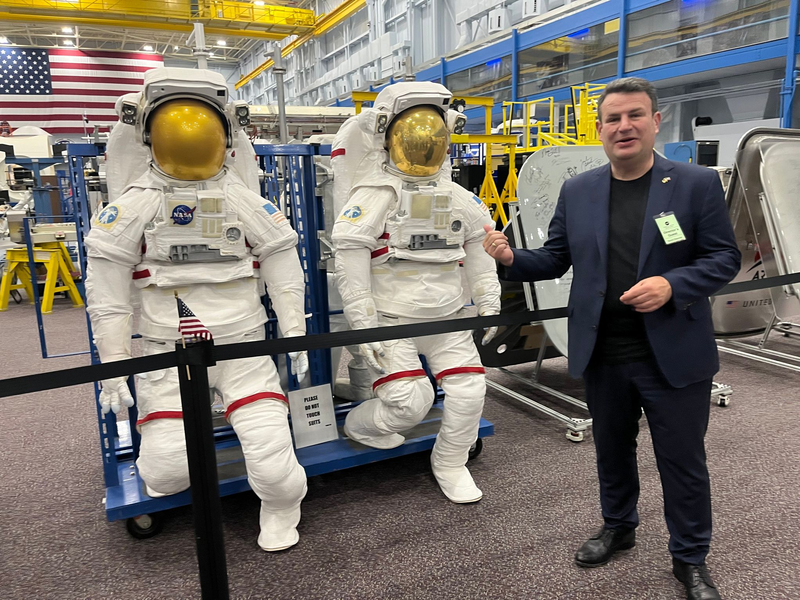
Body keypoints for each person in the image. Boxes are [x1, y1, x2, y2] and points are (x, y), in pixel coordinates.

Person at [483, 77, 740, 600]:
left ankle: (689, 558)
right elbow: (555, 258)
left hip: (673, 351)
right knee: (611, 450)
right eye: (613, 119)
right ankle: (618, 526)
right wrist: (510, 259)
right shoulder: (578, 191)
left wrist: (672, 284)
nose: (624, 127)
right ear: (599, 129)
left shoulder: (694, 184)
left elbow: (723, 259)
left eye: (634, 116)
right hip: (604, 350)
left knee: (682, 460)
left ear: (655, 121)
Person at [85, 67, 310, 552]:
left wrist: (294, 336)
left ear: (226, 135)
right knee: (166, 474)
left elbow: (284, 267)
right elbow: (108, 299)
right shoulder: (132, 207)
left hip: (243, 349)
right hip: (169, 352)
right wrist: (113, 368)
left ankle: (280, 507)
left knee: (278, 472)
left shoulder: (244, 200)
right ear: (147, 135)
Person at [331, 82, 501, 503]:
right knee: (410, 402)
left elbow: (481, 244)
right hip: (392, 320)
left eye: (434, 135)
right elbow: (350, 254)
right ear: (387, 135)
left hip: (447, 315)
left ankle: (450, 462)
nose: (425, 144)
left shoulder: (458, 197)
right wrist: (364, 324)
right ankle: (361, 426)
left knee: (470, 391)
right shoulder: (374, 195)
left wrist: (488, 300)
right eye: (414, 133)